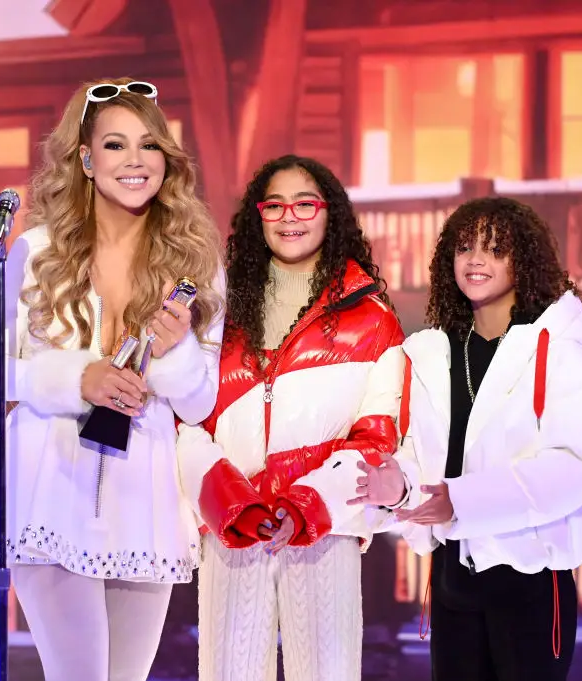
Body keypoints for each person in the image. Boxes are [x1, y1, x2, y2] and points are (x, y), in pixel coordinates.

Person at [0, 78, 225, 681]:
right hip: (50, 484)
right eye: (116, 145)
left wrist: (177, 353)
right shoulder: (36, 249)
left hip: (143, 495)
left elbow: (202, 404)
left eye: (149, 146)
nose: (134, 161)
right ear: (85, 158)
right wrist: (79, 377)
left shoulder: (197, 264)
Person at [357, 196, 582, 681]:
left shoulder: (562, 353)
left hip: (528, 582)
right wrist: (397, 486)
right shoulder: (431, 355)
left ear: (522, 261)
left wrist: (462, 500)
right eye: (464, 247)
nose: (476, 259)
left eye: (495, 248)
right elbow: (420, 456)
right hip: (450, 583)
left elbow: (578, 465)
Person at [175, 155, 406, 681]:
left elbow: (376, 438)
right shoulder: (218, 309)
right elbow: (184, 423)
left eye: (306, 203)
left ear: (330, 214)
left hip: (325, 528)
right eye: (274, 205)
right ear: (258, 216)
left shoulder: (373, 319)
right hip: (233, 527)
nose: (289, 216)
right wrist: (232, 505)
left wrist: (306, 508)